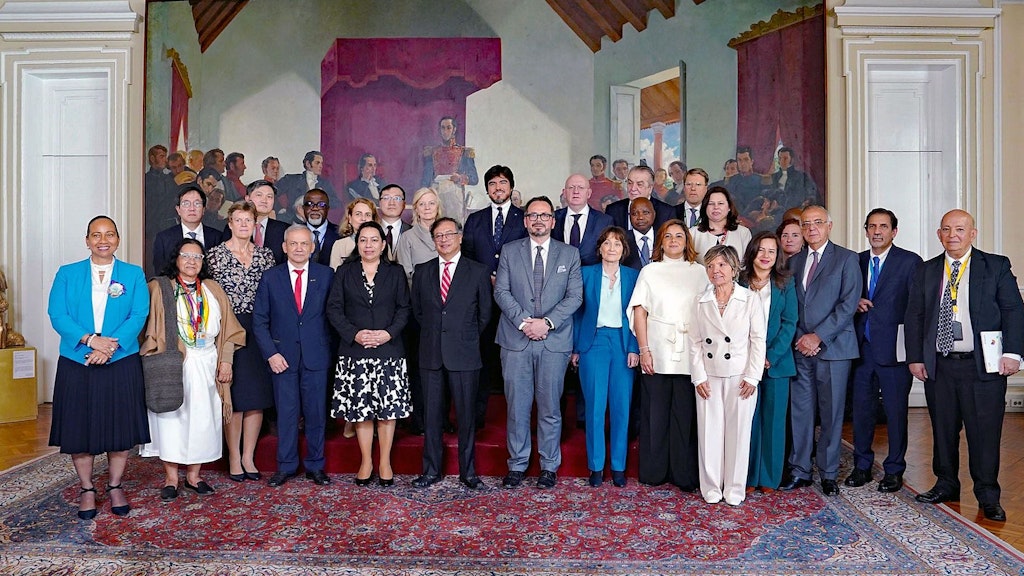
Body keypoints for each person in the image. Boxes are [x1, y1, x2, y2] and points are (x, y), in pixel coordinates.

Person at [905, 209, 1024, 522]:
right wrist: (916, 356)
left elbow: (1013, 311)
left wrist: (1013, 353)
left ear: (973, 233)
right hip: (940, 365)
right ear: (939, 234)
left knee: (984, 433)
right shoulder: (928, 270)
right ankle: (946, 484)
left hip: (982, 365)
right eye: (946, 229)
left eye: (960, 229)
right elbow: (915, 315)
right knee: (943, 431)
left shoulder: (995, 266)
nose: (952, 235)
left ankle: (988, 496)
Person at [48, 215, 150, 519]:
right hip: (77, 360)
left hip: (120, 361)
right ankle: (87, 488)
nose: (103, 240)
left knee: (119, 427)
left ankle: (115, 484)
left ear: (118, 239)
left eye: (109, 235)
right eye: (96, 235)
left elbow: (138, 314)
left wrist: (110, 347)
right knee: (80, 428)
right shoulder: (67, 273)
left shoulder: (133, 274)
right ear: (87, 240)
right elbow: (57, 314)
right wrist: (92, 341)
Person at [140, 238, 245, 500]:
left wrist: (226, 360)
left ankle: (194, 476)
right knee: (171, 421)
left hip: (208, 360)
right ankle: (171, 477)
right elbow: (146, 328)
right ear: (176, 258)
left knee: (202, 420)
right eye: (186, 255)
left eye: (197, 257)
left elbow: (231, 330)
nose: (191, 261)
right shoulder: (159, 287)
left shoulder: (212, 289)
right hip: (172, 362)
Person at [494, 196, 583, 489]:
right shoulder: (509, 251)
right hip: (515, 339)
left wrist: (545, 323)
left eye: (544, 215)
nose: (538, 220)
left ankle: (548, 466)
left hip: (553, 341)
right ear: (525, 220)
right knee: (517, 407)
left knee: (550, 407)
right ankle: (517, 465)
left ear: (553, 221)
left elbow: (575, 297)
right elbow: (501, 292)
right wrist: (524, 322)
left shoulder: (569, 254)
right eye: (533, 215)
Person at [780, 206, 861, 496]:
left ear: (829, 225)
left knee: (831, 413)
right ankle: (800, 470)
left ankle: (828, 474)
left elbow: (848, 305)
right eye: (806, 224)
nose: (811, 228)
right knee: (801, 412)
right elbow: (790, 305)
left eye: (817, 223)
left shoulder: (847, 259)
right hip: (800, 349)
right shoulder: (793, 262)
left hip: (833, 349)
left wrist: (818, 337)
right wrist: (802, 338)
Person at [327, 222, 412, 487]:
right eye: (363, 240)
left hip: (389, 350)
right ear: (357, 243)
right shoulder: (345, 271)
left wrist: (388, 334)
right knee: (361, 410)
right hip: (355, 352)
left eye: (374, 240)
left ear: (383, 244)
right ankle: (366, 461)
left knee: (388, 410)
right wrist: (354, 334)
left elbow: (404, 309)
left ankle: (385, 461)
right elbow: (334, 308)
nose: (368, 245)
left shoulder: (395, 272)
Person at [410, 217, 492, 489]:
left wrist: (462, 337)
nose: (444, 239)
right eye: (438, 236)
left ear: (459, 237)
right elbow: (419, 313)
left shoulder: (478, 271)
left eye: (449, 234)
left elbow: (484, 315)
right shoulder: (422, 271)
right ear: (434, 241)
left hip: (465, 353)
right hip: (431, 354)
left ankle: (468, 473)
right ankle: (431, 470)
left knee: (466, 416)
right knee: (432, 416)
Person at [844, 208, 922, 493]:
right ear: (865, 230)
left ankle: (894, 470)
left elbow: (917, 309)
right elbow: (844, 299)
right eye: (872, 226)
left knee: (896, 412)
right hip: (861, 351)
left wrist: (915, 353)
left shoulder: (910, 262)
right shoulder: (856, 261)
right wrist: (854, 302)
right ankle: (861, 466)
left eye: (883, 226)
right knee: (861, 412)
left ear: (894, 231)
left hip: (895, 352)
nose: (877, 231)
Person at [253, 226, 335, 487]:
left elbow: (334, 318)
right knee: (286, 415)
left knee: (316, 414)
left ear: (312, 247)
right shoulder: (270, 277)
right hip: (282, 358)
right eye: (293, 244)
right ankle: (286, 466)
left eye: (304, 244)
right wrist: (271, 354)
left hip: (316, 357)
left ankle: (315, 466)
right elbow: (259, 320)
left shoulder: (327, 275)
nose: (299, 248)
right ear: (285, 247)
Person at [627, 219, 706, 491]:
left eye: (679, 236)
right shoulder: (650, 271)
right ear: (661, 241)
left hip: (690, 349)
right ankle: (654, 471)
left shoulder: (700, 272)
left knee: (685, 415)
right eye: (668, 236)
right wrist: (644, 349)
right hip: (657, 348)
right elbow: (639, 310)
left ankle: (683, 473)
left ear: (687, 241)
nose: (674, 241)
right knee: (655, 413)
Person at [206, 202, 277, 483]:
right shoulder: (215, 256)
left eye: (249, 220)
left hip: (259, 330)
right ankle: (234, 456)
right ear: (230, 223)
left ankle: (249, 456)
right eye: (239, 220)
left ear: (255, 224)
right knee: (234, 398)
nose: (244, 225)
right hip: (228, 331)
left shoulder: (265, 256)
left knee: (257, 398)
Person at [689, 244, 766, 505]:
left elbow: (758, 340)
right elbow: (695, 342)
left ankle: (734, 489)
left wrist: (753, 377)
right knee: (709, 433)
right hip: (709, 375)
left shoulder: (750, 299)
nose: (715, 270)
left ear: (734, 268)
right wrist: (698, 377)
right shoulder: (700, 300)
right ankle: (710, 487)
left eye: (721, 265)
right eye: (710, 266)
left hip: (740, 376)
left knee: (739, 434)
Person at [572, 226, 639, 487]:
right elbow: (577, 313)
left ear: (624, 251)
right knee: (595, 407)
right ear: (599, 248)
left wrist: (635, 347)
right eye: (607, 243)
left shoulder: (633, 276)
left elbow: (638, 314)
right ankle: (596, 466)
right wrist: (576, 348)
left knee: (622, 408)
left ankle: (619, 467)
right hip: (594, 342)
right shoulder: (586, 274)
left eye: (617, 244)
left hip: (622, 343)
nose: (612, 248)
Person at [462, 165, 527, 428]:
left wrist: (504, 279)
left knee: (516, 364)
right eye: (492, 183)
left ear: (511, 186)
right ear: (487, 188)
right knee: (481, 359)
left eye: (502, 182)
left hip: (517, 303)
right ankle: (477, 419)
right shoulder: (474, 220)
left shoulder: (524, 218)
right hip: (481, 302)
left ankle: (518, 421)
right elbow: (466, 259)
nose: (498, 188)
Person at [739, 231, 797, 491]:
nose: (766, 256)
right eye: (761, 250)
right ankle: (748, 477)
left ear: (778, 256)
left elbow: (789, 322)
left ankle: (769, 478)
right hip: (741, 362)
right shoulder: (738, 281)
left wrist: (769, 356)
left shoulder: (786, 283)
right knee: (747, 422)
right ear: (753, 252)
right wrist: (750, 357)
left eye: (772, 251)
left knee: (774, 423)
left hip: (776, 364)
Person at [152, 185, 224, 274]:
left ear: (204, 209)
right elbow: (161, 273)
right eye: (186, 204)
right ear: (178, 210)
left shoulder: (218, 238)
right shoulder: (164, 239)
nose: (192, 208)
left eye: (197, 204)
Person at [421, 116, 479, 223]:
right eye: (443, 128)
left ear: (454, 129)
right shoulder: (432, 152)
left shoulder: (464, 152)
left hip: (454, 197)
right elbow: (425, 180)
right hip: (436, 194)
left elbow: (474, 179)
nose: (445, 131)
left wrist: (460, 178)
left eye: (448, 128)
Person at [553, 174, 614, 267]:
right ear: (564, 193)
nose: (576, 191)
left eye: (581, 188)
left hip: (591, 277)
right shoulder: (553, 218)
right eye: (571, 187)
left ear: (589, 193)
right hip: (559, 277)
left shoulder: (604, 221)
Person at [604, 165, 675, 233]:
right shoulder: (612, 210)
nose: (633, 188)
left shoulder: (666, 212)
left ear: (650, 188)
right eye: (630, 183)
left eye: (639, 184)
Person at [690, 186, 752, 262]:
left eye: (720, 203)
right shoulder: (692, 234)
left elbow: (748, 264)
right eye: (711, 203)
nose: (716, 207)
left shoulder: (743, 233)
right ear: (705, 207)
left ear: (729, 207)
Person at [275, 151, 338, 223]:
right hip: (292, 223)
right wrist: (279, 210)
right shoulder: (291, 180)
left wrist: (322, 198)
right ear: (308, 164)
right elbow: (271, 193)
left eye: (321, 163)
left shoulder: (325, 184)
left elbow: (336, 202)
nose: (321, 166)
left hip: (316, 223)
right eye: (317, 163)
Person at [397, 188, 443, 282]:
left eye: (431, 203)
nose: (427, 207)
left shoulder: (449, 235)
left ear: (437, 207)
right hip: (419, 293)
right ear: (416, 209)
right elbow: (406, 274)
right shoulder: (407, 237)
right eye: (422, 204)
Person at [247, 179, 289, 265]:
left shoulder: (285, 230)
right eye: (259, 195)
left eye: (269, 197)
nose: (264, 200)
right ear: (247, 199)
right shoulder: (235, 227)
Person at [329, 198, 379, 269]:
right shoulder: (340, 245)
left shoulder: (382, 244)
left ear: (373, 219)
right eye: (358, 214)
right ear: (350, 218)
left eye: (367, 215)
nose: (363, 218)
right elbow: (335, 275)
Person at [302, 189, 340, 266]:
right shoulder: (293, 233)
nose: (315, 208)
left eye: (321, 204)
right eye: (309, 204)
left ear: (328, 209)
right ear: (303, 208)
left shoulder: (340, 234)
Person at [378, 184, 412, 261]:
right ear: (379, 203)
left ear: (404, 204)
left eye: (397, 198)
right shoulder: (370, 231)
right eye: (386, 198)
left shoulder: (412, 232)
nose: (391, 203)